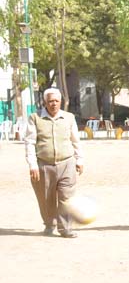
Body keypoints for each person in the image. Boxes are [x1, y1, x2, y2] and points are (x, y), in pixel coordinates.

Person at [24, 87, 84, 238]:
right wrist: (32, 165)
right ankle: (50, 224)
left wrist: (79, 159)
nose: (54, 104)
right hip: (44, 165)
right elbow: (29, 142)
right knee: (46, 198)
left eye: (57, 101)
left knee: (66, 197)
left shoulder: (69, 117)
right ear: (45, 102)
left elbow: (75, 140)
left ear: (61, 102)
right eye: (51, 101)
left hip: (67, 163)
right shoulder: (35, 118)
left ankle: (65, 228)